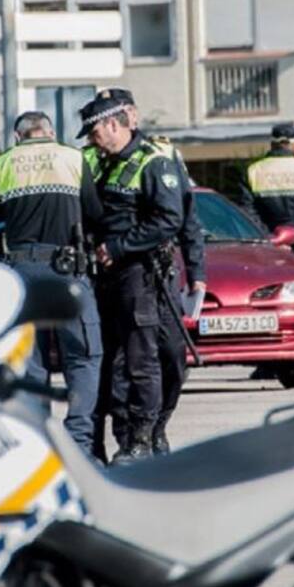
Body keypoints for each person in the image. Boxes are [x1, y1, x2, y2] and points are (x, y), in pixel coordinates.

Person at [0, 111, 103, 456]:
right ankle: (79, 442)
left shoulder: (3, 164)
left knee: (31, 360)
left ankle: (41, 443)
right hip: (68, 268)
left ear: (18, 136)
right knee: (84, 356)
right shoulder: (73, 159)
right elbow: (95, 213)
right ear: (50, 132)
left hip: (21, 272)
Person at [79, 90, 183, 462]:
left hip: (140, 274)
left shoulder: (153, 161)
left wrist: (120, 247)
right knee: (111, 363)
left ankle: (144, 438)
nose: (93, 141)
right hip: (105, 277)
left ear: (113, 124)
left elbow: (171, 219)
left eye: (95, 133)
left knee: (144, 360)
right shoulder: (96, 161)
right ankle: (123, 438)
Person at [112, 89, 206, 456]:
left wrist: (196, 270)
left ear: (133, 115)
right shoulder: (96, 157)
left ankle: (159, 426)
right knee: (129, 362)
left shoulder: (162, 155)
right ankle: (133, 437)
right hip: (124, 275)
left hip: (162, 272)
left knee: (172, 354)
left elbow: (187, 216)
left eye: (127, 111)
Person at [239, 123, 294, 231]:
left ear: (272, 144)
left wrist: (265, 233)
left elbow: (248, 210)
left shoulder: (253, 170)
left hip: (268, 236)